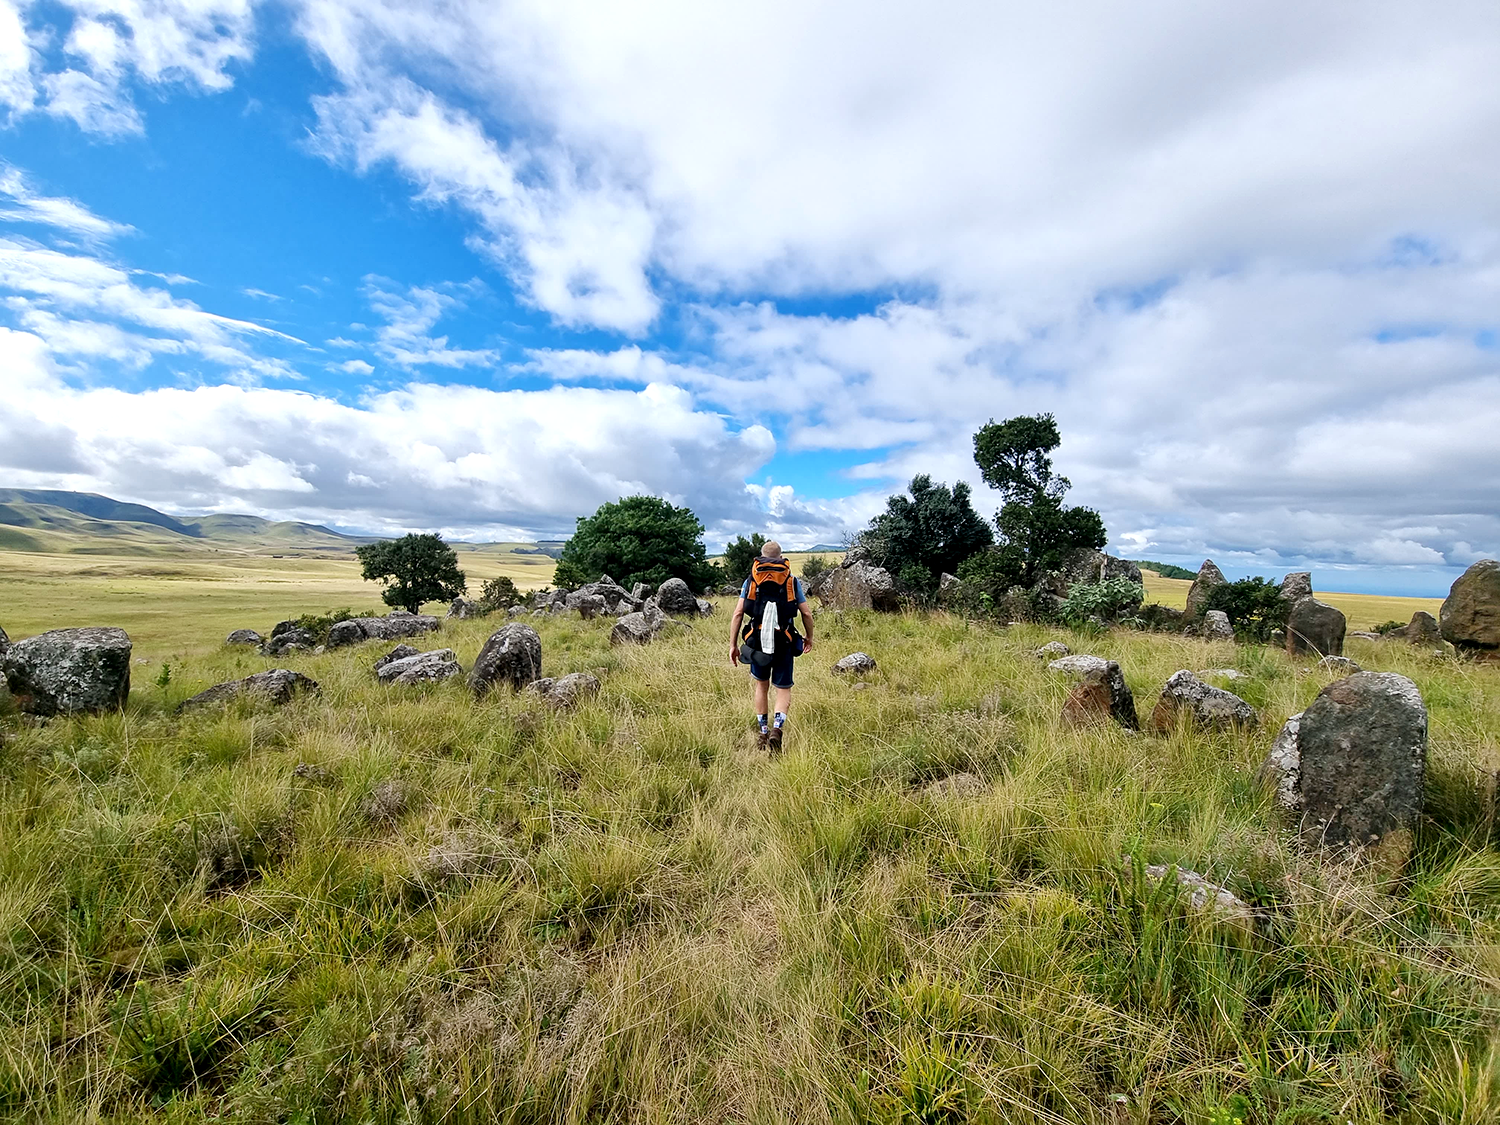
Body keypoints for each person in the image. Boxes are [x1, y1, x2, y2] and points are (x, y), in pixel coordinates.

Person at [729, 540, 814, 753]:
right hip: (784, 640)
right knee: (783, 688)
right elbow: (806, 613)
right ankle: (778, 729)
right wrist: (809, 637)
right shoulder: (791, 580)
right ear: (781, 556)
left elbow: (738, 613)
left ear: (761, 556)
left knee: (761, 686)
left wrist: (733, 645)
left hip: (757, 642)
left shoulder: (751, 580)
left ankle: (763, 732)